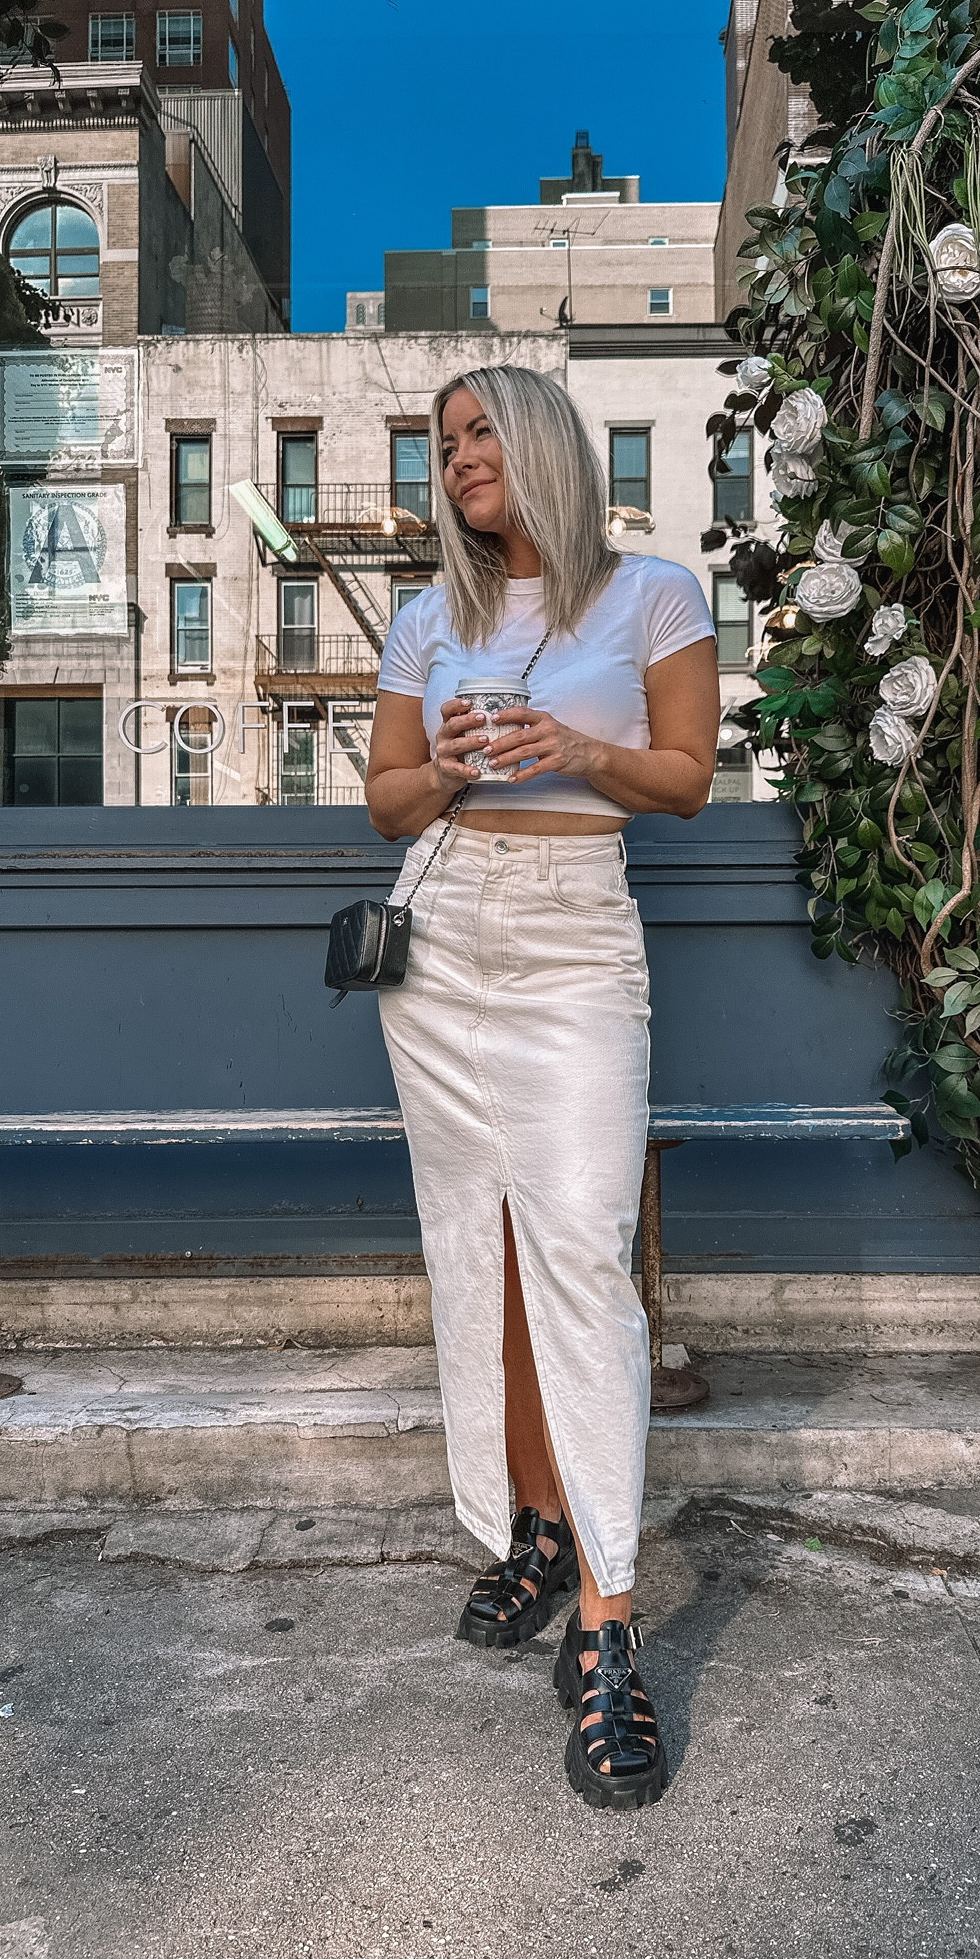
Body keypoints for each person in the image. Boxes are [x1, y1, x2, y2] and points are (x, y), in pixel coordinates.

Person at [365, 365, 720, 1811]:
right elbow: (383, 800)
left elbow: (689, 777)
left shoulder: (649, 597)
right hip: (444, 938)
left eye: (481, 431)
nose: (458, 458)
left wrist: (573, 750)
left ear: (548, 444)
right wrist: (448, 769)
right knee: (486, 1251)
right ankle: (533, 1528)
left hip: (577, 934)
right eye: (444, 441)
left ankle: (610, 1622)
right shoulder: (425, 618)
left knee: (579, 1252)